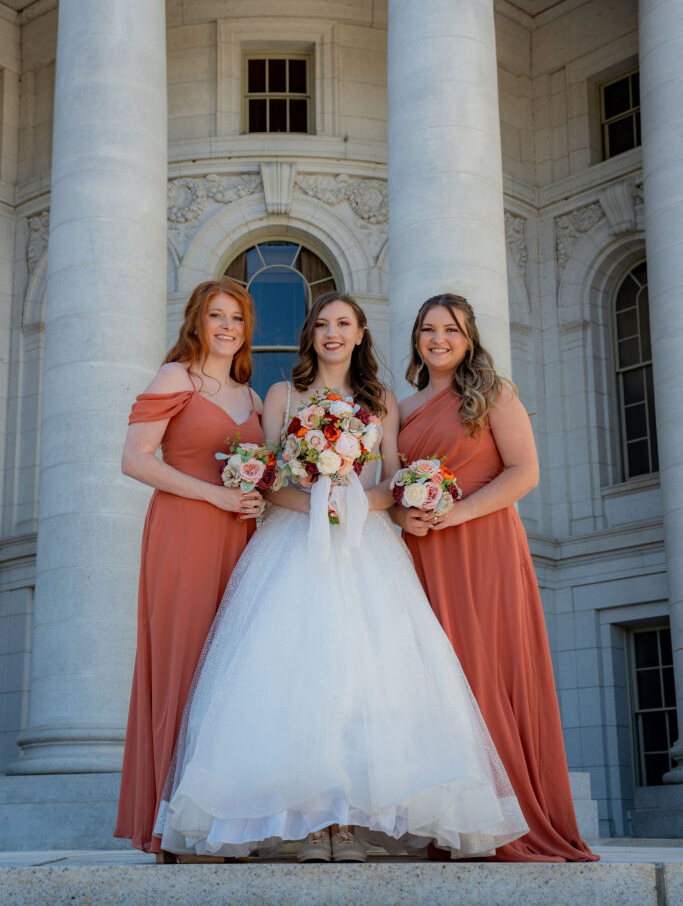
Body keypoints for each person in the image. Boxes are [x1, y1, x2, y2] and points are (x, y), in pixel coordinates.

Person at [155, 292, 528, 863]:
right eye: (323, 324)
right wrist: (316, 506)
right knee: (295, 676)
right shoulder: (282, 395)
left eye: (344, 324)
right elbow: (272, 478)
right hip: (292, 545)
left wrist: (357, 505)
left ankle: (350, 823)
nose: (333, 333)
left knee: (366, 679)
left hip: (364, 547)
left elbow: (394, 480)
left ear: (360, 336)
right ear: (310, 335)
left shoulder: (381, 402)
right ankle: (306, 826)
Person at [395, 293, 597, 863]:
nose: (439, 340)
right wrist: (401, 512)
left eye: (451, 330)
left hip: (483, 546)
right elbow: (389, 482)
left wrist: (453, 514)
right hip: (422, 554)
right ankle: (454, 819)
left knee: (484, 669)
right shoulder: (404, 408)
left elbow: (525, 472)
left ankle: (509, 818)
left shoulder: (493, 394)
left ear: (469, 338)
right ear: (415, 338)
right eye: (429, 329)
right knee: (437, 679)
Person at [114, 278, 265, 860]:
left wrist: (251, 497)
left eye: (237, 318)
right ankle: (173, 822)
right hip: (183, 532)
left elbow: (257, 472)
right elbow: (134, 460)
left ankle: (223, 817)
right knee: (183, 659)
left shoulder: (251, 398)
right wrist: (216, 497)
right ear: (196, 323)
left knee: (231, 670)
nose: (226, 327)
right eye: (216, 316)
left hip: (240, 540)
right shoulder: (175, 377)